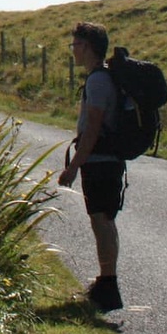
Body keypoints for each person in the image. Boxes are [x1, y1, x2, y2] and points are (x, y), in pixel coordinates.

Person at [58, 21, 125, 312]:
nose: (73, 51)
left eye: (75, 45)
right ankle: (106, 282)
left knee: (101, 220)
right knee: (104, 220)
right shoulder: (102, 78)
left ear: (86, 47)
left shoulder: (98, 81)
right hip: (106, 161)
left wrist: (73, 166)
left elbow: (93, 127)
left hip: (100, 161)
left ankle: (108, 287)